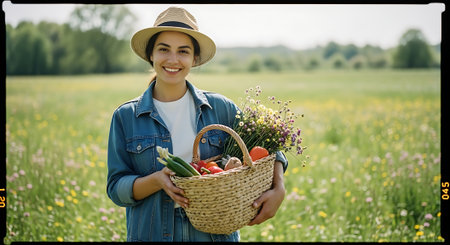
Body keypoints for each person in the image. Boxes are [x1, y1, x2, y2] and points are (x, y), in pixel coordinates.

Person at [107, 6, 288, 242]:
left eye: (183, 51)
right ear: (151, 55)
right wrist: (156, 180)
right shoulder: (126, 116)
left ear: (194, 58)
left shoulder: (221, 108)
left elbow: (269, 147)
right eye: (164, 49)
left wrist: (279, 188)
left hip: (214, 233)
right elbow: (116, 188)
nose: (173, 59)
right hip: (152, 233)